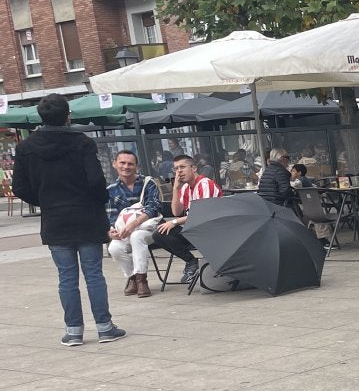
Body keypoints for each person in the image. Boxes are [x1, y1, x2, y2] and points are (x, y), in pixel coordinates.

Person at [12, 94, 125, 346]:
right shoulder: (81, 142)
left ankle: (74, 331)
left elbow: (19, 187)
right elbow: (96, 180)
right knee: (94, 274)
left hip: (55, 218)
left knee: (66, 277)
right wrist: (97, 199)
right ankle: (104, 327)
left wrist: (45, 199)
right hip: (86, 215)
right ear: (67, 115)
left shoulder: (26, 147)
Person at [152, 154, 223, 285]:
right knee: (159, 233)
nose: (179, 171)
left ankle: (198, 265)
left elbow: (203, 214)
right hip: (194, 231)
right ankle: (191, 262)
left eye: (183, 167)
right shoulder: (185, 188)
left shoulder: (205, 184)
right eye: (176, 168)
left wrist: (174, 222)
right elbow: (176, 211)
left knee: (169, 226)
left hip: (211, 232)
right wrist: (175, 189)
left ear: (194, 168)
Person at [105, 149, 163, 298]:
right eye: (122, 163)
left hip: (150, 228)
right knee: (114, 248)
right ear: (115, 164)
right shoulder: (111, 190)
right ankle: (132, 277)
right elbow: (111, 215)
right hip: (125, 231)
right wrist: (112, 231)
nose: (126, 166)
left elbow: (154, 208)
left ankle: (142, 280)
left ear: (136, 166)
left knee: (137, 236)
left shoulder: (147, 182)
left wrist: (134, 223)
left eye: (130, 164)